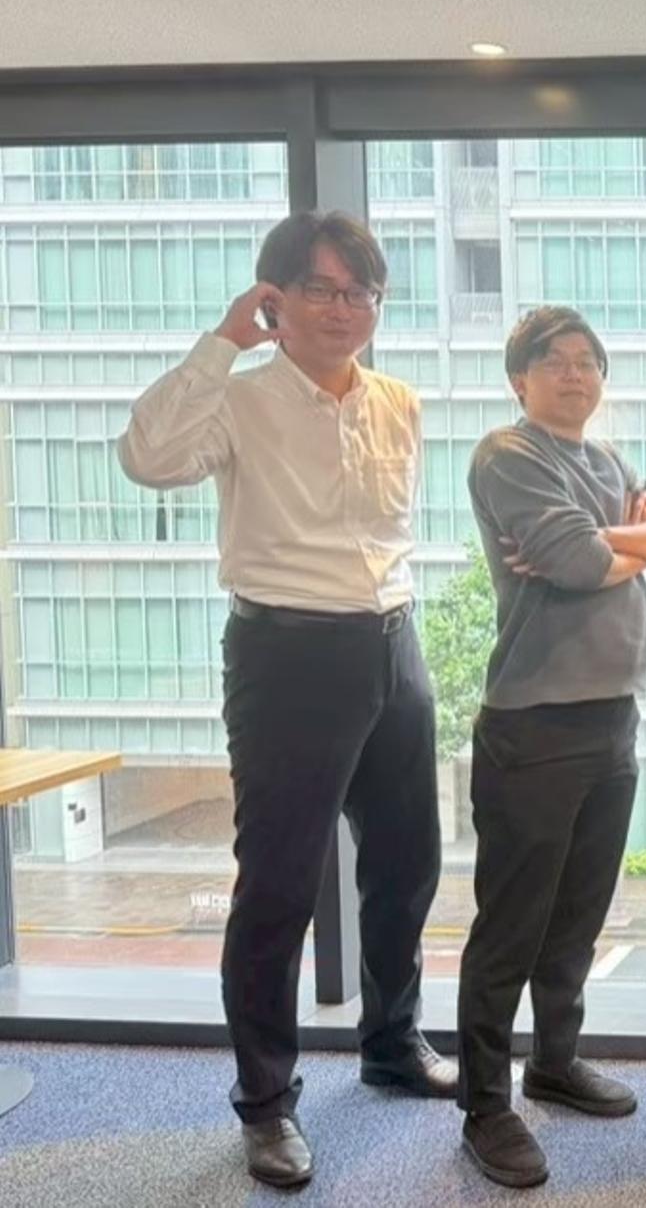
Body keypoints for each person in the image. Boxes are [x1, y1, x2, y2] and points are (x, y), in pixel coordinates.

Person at [117, 212, 453, 1189]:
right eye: (321, 289)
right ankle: (266, 1101)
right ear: (277, 298)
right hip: (287, 654)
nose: (344, 309)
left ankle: (391, 1041)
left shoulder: (398, 401)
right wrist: (224, 341)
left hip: (393, 640)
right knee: (277, 886)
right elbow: (147, 456)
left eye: (361, 292)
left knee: (408, 863)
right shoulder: (240, 397)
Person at [451, 307, 646, 1187]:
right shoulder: (508, 454)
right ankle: (485, 1103)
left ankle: (553, 1060)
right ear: (521, 379)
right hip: (535, 723)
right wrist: (621, 544)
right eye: (556, 361)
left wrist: (613, 541)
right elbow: (581, 564)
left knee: (579, 913)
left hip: (613, 716)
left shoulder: (609, 461)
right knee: (512, 924)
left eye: (588, 360)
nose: (576, 373)